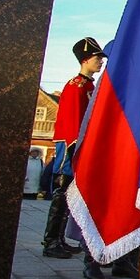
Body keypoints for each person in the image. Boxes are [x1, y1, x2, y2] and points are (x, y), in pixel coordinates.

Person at [41, 37, 106, 259]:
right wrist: (75, 150)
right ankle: (50, 241)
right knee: (61, 194)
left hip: (78, 147)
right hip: (70, 148)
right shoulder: (75, 87)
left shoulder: (88, 86)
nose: (100, 62)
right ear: (86, 59)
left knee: (68, 198)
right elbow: (72, 123)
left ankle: (58, 238)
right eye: (97, 58)